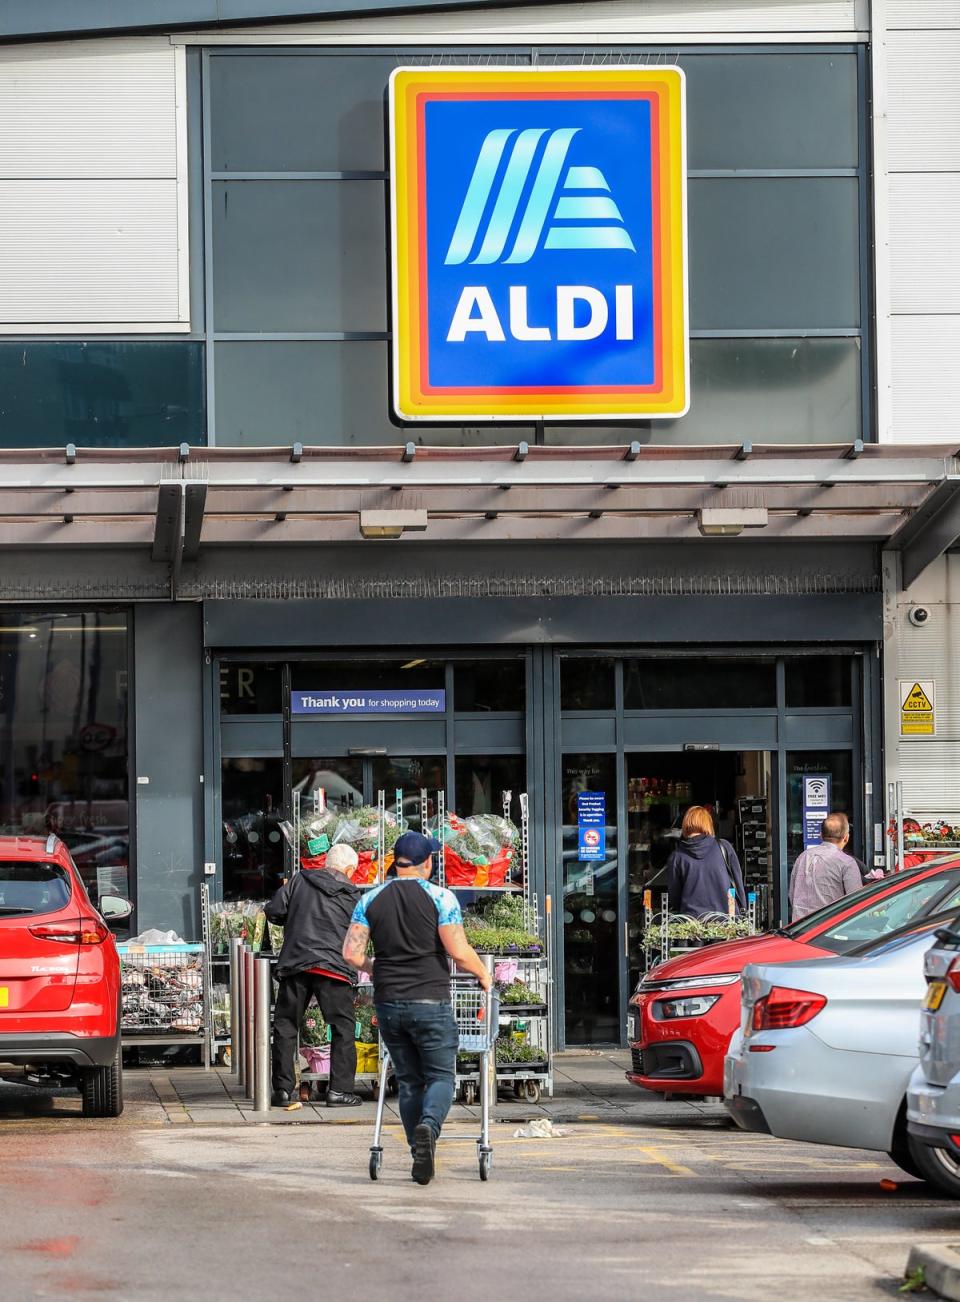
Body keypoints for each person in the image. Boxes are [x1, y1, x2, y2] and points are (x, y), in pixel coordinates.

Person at [342, 830, 492, 1186]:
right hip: (431, 1000)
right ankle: (429, 1128)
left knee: (409, 1080)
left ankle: (417, 1150)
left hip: (389, 1002)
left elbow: (351, 954)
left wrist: (376, 968)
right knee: (441, 1076)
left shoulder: (370, 899)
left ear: (396, 864)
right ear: (428, 863)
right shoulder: (442, 898)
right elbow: (456, 949)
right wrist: (484, 974)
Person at [265, 842, 364, 1110]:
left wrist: (295, 918)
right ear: (350, 869)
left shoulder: (299, 881)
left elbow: (274, 910)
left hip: (297, 962)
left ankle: (283, 1091)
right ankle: (339, 1092)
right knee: (342, 1028)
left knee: (286, 1026)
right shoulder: (354, 895)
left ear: (326, 863)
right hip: (334, 968)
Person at [666, 805, 747, 918]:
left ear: (685, 825)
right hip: (726, 922)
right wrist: (743, 911)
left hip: (692, 924)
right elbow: (738, 885)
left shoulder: (677, 857)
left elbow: (675, 897)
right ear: (708, 824)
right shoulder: (724, 847)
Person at [789, 811, 863, 921]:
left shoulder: (803, 857)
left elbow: (792, 894)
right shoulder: (847, 862)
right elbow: (856, 901)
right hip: (831, 928)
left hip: (800, 928)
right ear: (846, 838)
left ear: (821, 835)